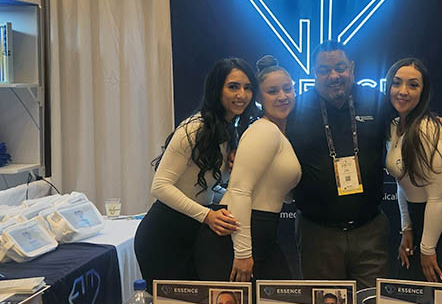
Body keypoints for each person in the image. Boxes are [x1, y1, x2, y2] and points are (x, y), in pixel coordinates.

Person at [135, 58, 257, 290]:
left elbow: (204, 188)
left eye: (248, 87)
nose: (242, 94)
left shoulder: (229, 130)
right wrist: (208, 216)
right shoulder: (194, 128)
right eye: (233, 87)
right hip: (164, 234)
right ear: (217, 89)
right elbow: (160, 186)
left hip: (194, 233)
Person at [287, 40, 393, 288]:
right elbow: (267, 131)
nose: (333, 76)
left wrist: (436, 122)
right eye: (324, 70)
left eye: (340, 68)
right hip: (317, 233)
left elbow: (409, 123)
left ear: (352, 68)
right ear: (314, 73)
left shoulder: (377, 101)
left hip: (369, 229)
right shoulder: (295, 109)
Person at [203, 56, 300, 283]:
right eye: (272, 91)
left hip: (263, 231)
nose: (282, 96)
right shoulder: (264, 130)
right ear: (259, 98)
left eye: (287, 89)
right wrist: (243, 253)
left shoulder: (278, 132)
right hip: (241, 233)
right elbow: (239, 191)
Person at [387, 58, 442, 284]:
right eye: (396, 83)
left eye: (413, 85)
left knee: (441, 293)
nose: (403, 91)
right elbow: (402, 183)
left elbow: (438, 198)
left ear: (423, 92)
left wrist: (427, 249)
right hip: (419, 219)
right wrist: (407, 228)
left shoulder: (429, 130)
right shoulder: (395, 126)